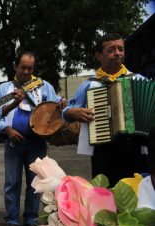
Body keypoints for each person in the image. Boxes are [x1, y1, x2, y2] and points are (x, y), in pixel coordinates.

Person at [63, 33, 148, 185]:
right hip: (103, 151)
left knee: (136, 197)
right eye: (111, 50)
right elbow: (66, 112)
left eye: (120, 49)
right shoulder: (90, 84)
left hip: (135, 149)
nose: (117, 53)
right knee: (104, 196)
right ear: (98, 55)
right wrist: (71, 112)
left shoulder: (139, 80)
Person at [0, 52, 62, 226]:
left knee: (35, 184)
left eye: (30, 68)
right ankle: (12, 220)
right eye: (22, 67)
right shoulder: (3, 89)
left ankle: (31, 220)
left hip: (37, 143)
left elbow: (54, 110)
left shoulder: (44, 86)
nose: (26, 71)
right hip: (13, 143)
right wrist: (7, 130)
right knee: (12, 182)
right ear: (16, 66)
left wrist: (62, 104)